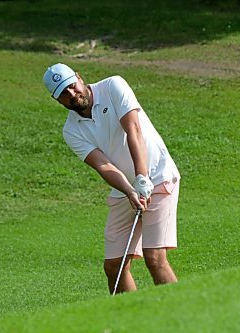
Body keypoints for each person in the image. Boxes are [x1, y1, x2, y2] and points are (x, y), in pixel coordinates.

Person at [43, 63, 181, 294]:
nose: (71, 94)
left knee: (154, 258)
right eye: (63, 94)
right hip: (124, 190)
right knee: (114, 266)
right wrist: (129, 190)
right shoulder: (71, 131)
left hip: (157, 176)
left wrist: (142, 177)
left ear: (79, 77)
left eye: (71, 86)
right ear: (57, 100)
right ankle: (128, 323)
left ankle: (181, 319)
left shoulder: (113, 86)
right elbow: (102, 165)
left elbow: (133, 129)